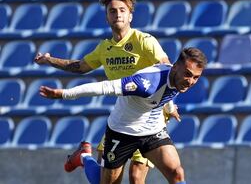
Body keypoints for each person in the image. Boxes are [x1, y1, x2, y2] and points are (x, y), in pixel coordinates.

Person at [34, 0, 179, 184]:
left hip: (149, 119)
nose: (117, 14)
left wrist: (169, 104)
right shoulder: (105, 48)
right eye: (112, 11)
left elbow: (166, 69)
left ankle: (83, 158)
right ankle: (84, 158)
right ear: (107, 17)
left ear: (130, 16)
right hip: (122, 118)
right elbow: (80, 67)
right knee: (107, 180)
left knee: (136, 178)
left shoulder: (144, 41)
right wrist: (50, 60)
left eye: (122, 10)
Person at [40, 47, 207, 184]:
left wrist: (170, 108)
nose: (190, 81)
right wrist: (64, 94)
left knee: (177, 173)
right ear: (175, 67)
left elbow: (167, 93)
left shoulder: (178, 78)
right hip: (122, 132)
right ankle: (83, 157)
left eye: (196, 77)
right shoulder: (145, 83)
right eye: (188, 74)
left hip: (152, 131)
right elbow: (104, 87)